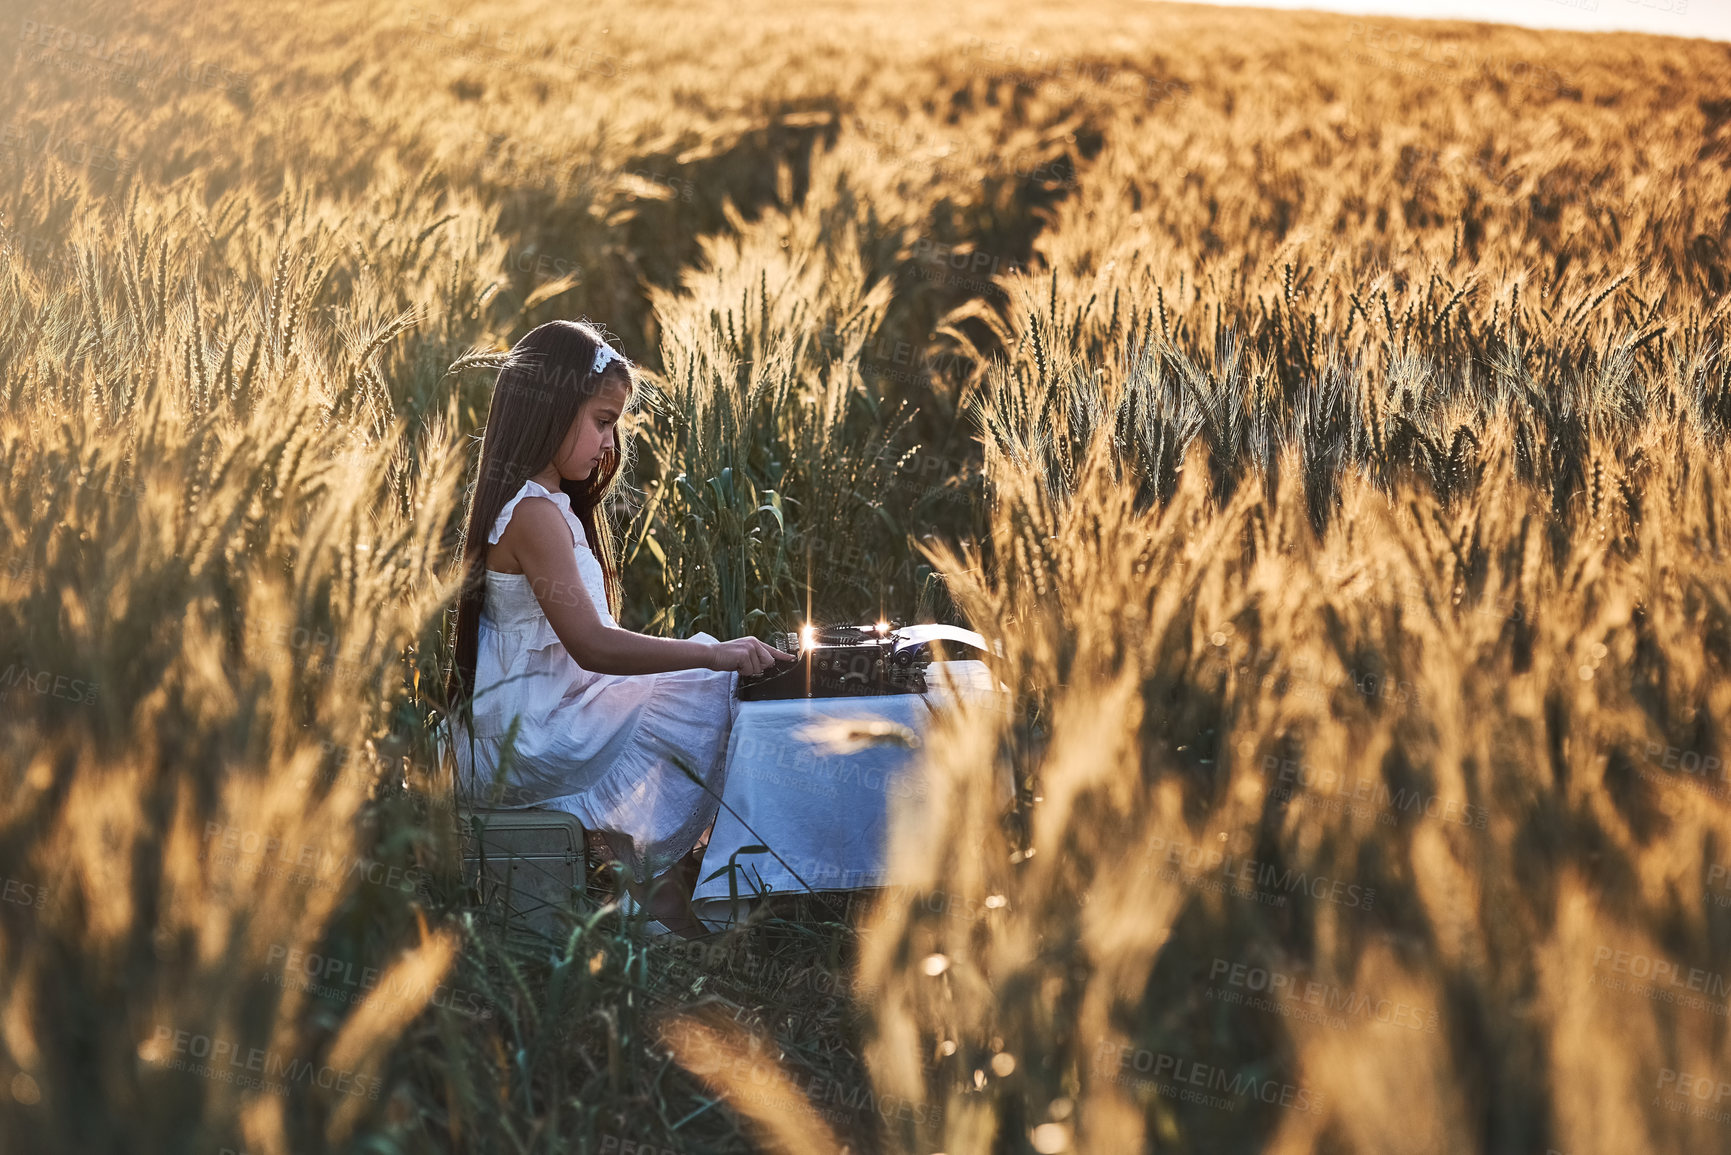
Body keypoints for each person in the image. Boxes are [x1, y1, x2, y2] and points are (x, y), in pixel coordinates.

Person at [442, 318, 794, 937]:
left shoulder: (548, 507)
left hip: (550, 707)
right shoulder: (532, 513)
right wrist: (708, 656)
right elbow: (593, 645)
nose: (611, 442)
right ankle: (694, 891)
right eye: (602, 420)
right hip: (523, 732)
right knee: (702, 684)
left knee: (687, 683)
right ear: (551, 408)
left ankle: (656, 895)